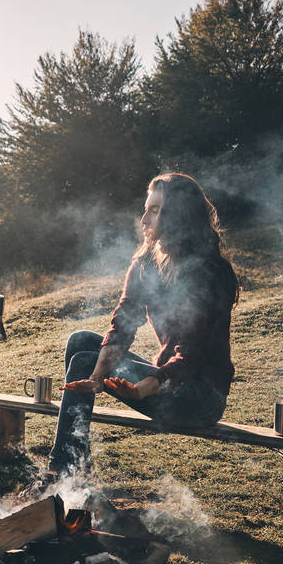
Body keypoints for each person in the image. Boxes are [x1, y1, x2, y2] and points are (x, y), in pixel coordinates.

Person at [42, 172, 240, 479]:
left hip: (199, 396)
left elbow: (192, 356)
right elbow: (123, 323)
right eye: (146, 208)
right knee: (80, 342)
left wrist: (144, 387)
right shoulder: (146, 263)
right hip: (166, 382)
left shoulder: (208, 273)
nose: (144, 218)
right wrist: (97, 377)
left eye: (156, 210)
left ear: (179, 215)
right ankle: (77, 462)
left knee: (82, 360)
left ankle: (61, 469)